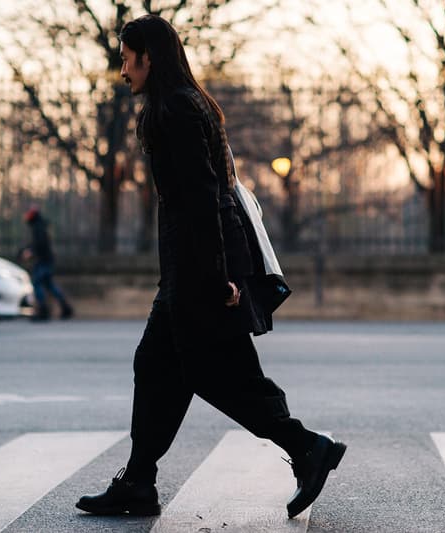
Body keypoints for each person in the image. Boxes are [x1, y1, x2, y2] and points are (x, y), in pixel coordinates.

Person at [75, 14, 345, 520]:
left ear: (149, 57)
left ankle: (306, 446)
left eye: (127, 59)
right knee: (159, 366)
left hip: (197, 267)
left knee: (222, 376)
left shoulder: (174, 109)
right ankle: (138, 481)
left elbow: (202, 199)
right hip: (193, 264)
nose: (123, 71)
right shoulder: (186, 103)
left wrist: (220, 275)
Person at [22, 206, 73, 321]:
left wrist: (31, 251)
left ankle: (43, 310)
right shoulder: (41, 226)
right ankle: (66, 308)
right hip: (47, 260)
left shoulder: (38, 227)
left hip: (43, 261)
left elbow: (39, 243)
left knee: (37, 284)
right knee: (49, 285)